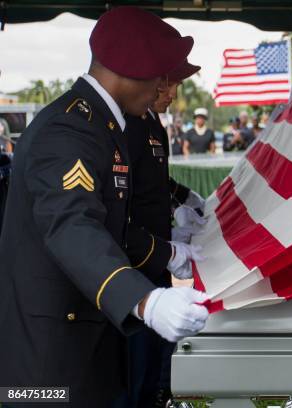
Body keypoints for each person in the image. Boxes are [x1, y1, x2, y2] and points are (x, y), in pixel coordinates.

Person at [0, 7, 209, 407]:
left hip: (88, 335)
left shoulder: (101, 124)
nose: (163, 85)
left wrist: (167, 248)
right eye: (159, 74)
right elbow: (72, 226)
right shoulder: (68, 129)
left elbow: (112, 220)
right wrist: (144, 300)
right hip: (50, 361)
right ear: (131, 68)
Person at [119, 59, 206, 408]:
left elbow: (157, 181)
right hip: (135, 259)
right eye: (166, 85)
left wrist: (186, 198)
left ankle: (160, 395)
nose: (172, 94)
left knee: (160, 352)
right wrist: (168, 243)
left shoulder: (153, 121)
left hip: (158, 257)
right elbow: (127, 195)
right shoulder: (129, 124)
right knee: (138, 356)